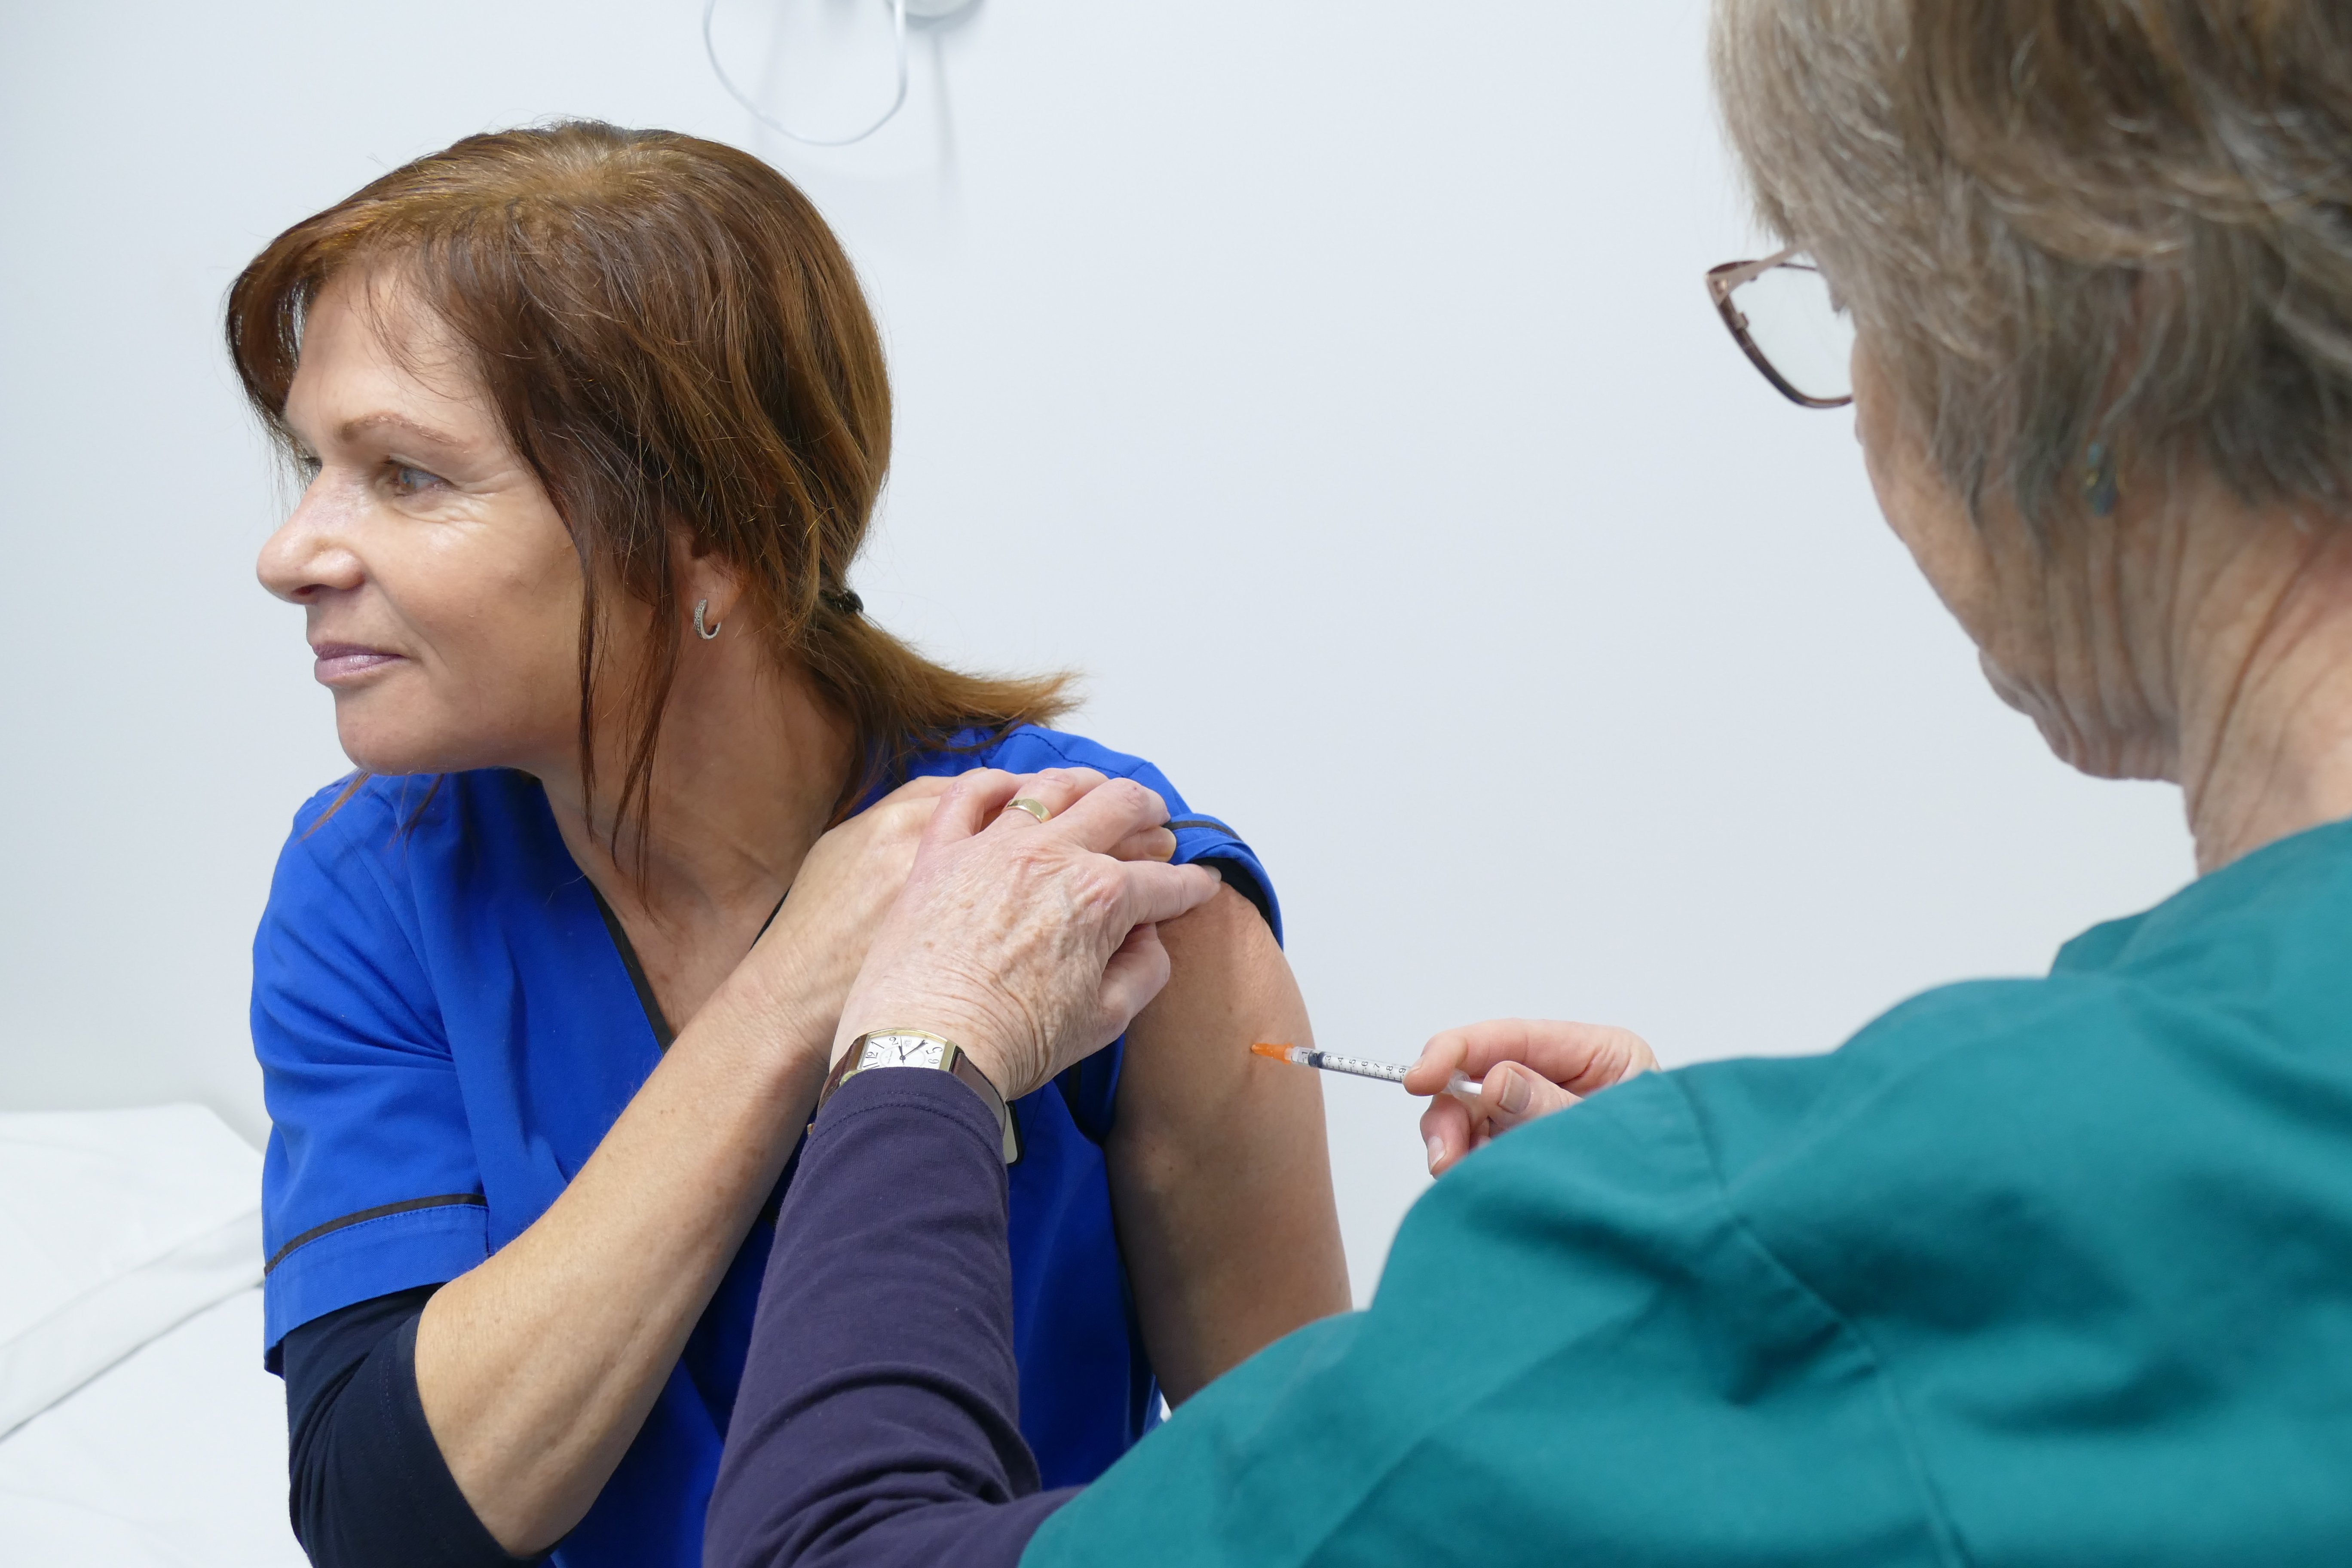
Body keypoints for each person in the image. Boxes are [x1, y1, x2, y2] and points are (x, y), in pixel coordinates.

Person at [700, 0, 2352, 1561]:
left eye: (1849, 299)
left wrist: (918, 1055)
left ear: (2094, 341)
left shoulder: (1879, 1205)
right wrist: (1756, 1282)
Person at [233, 123, 1349, 1568]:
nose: (290, 555)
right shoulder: (372, 888)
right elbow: (387, 1520)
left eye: (406, 476)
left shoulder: (1107, 892)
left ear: (715, 532)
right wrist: (795, 992)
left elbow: (1313, 1506)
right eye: (314, 464)